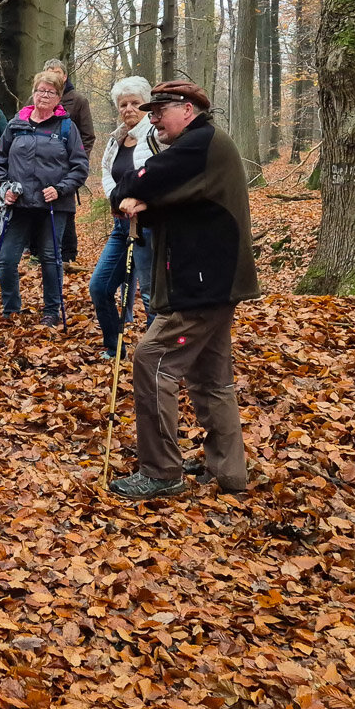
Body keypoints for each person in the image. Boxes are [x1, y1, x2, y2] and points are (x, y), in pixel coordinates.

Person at [107, 81, 259, 501]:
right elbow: (172, 198)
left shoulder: (200, 143)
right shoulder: (200, 146)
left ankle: (161, 472)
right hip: (211, 279)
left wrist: (136, 197)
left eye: (161, 110)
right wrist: (146, 203)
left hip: (203, 281)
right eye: (150, 111)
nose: (153, 118)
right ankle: (228, 471)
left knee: (152, 359)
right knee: (211, 376)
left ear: (188, 110)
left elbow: (138, 182)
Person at [0, 71, 89, 326]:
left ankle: (52, 311)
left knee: (50, 257)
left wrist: (60, 188)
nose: (44, 95)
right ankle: (11, 309)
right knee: (7, 259)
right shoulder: (15, 125)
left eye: (51, 92)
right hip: (20, 204)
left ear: (59, 97)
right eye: (40, 90)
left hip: (54, 205)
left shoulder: (67, 126)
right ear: (33, 93)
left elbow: (80, 167)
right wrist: (5, 188)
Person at [89, 76, 160, 359]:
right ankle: (113, 346)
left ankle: (156, 356)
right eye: (123, 104)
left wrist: (141, 199)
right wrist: (118, 198)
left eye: (134, 103)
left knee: (150, 295)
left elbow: (162, 175)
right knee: (100, 286)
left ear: (145, 104)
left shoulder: (155, 136)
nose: (128, 109)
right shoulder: (117, 138)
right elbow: (108, 174)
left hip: (150, 225)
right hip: (122, 224)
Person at [43, 59, 95, 271]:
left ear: (64, 76)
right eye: (48, 72)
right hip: (41, 165)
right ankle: (40, 251)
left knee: (65, 208)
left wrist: (77, 162)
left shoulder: (78, 100)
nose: (53, 76)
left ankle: (68, 254)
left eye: (56, 73)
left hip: (66, 168)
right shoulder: (36, 98)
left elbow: (88, 136)